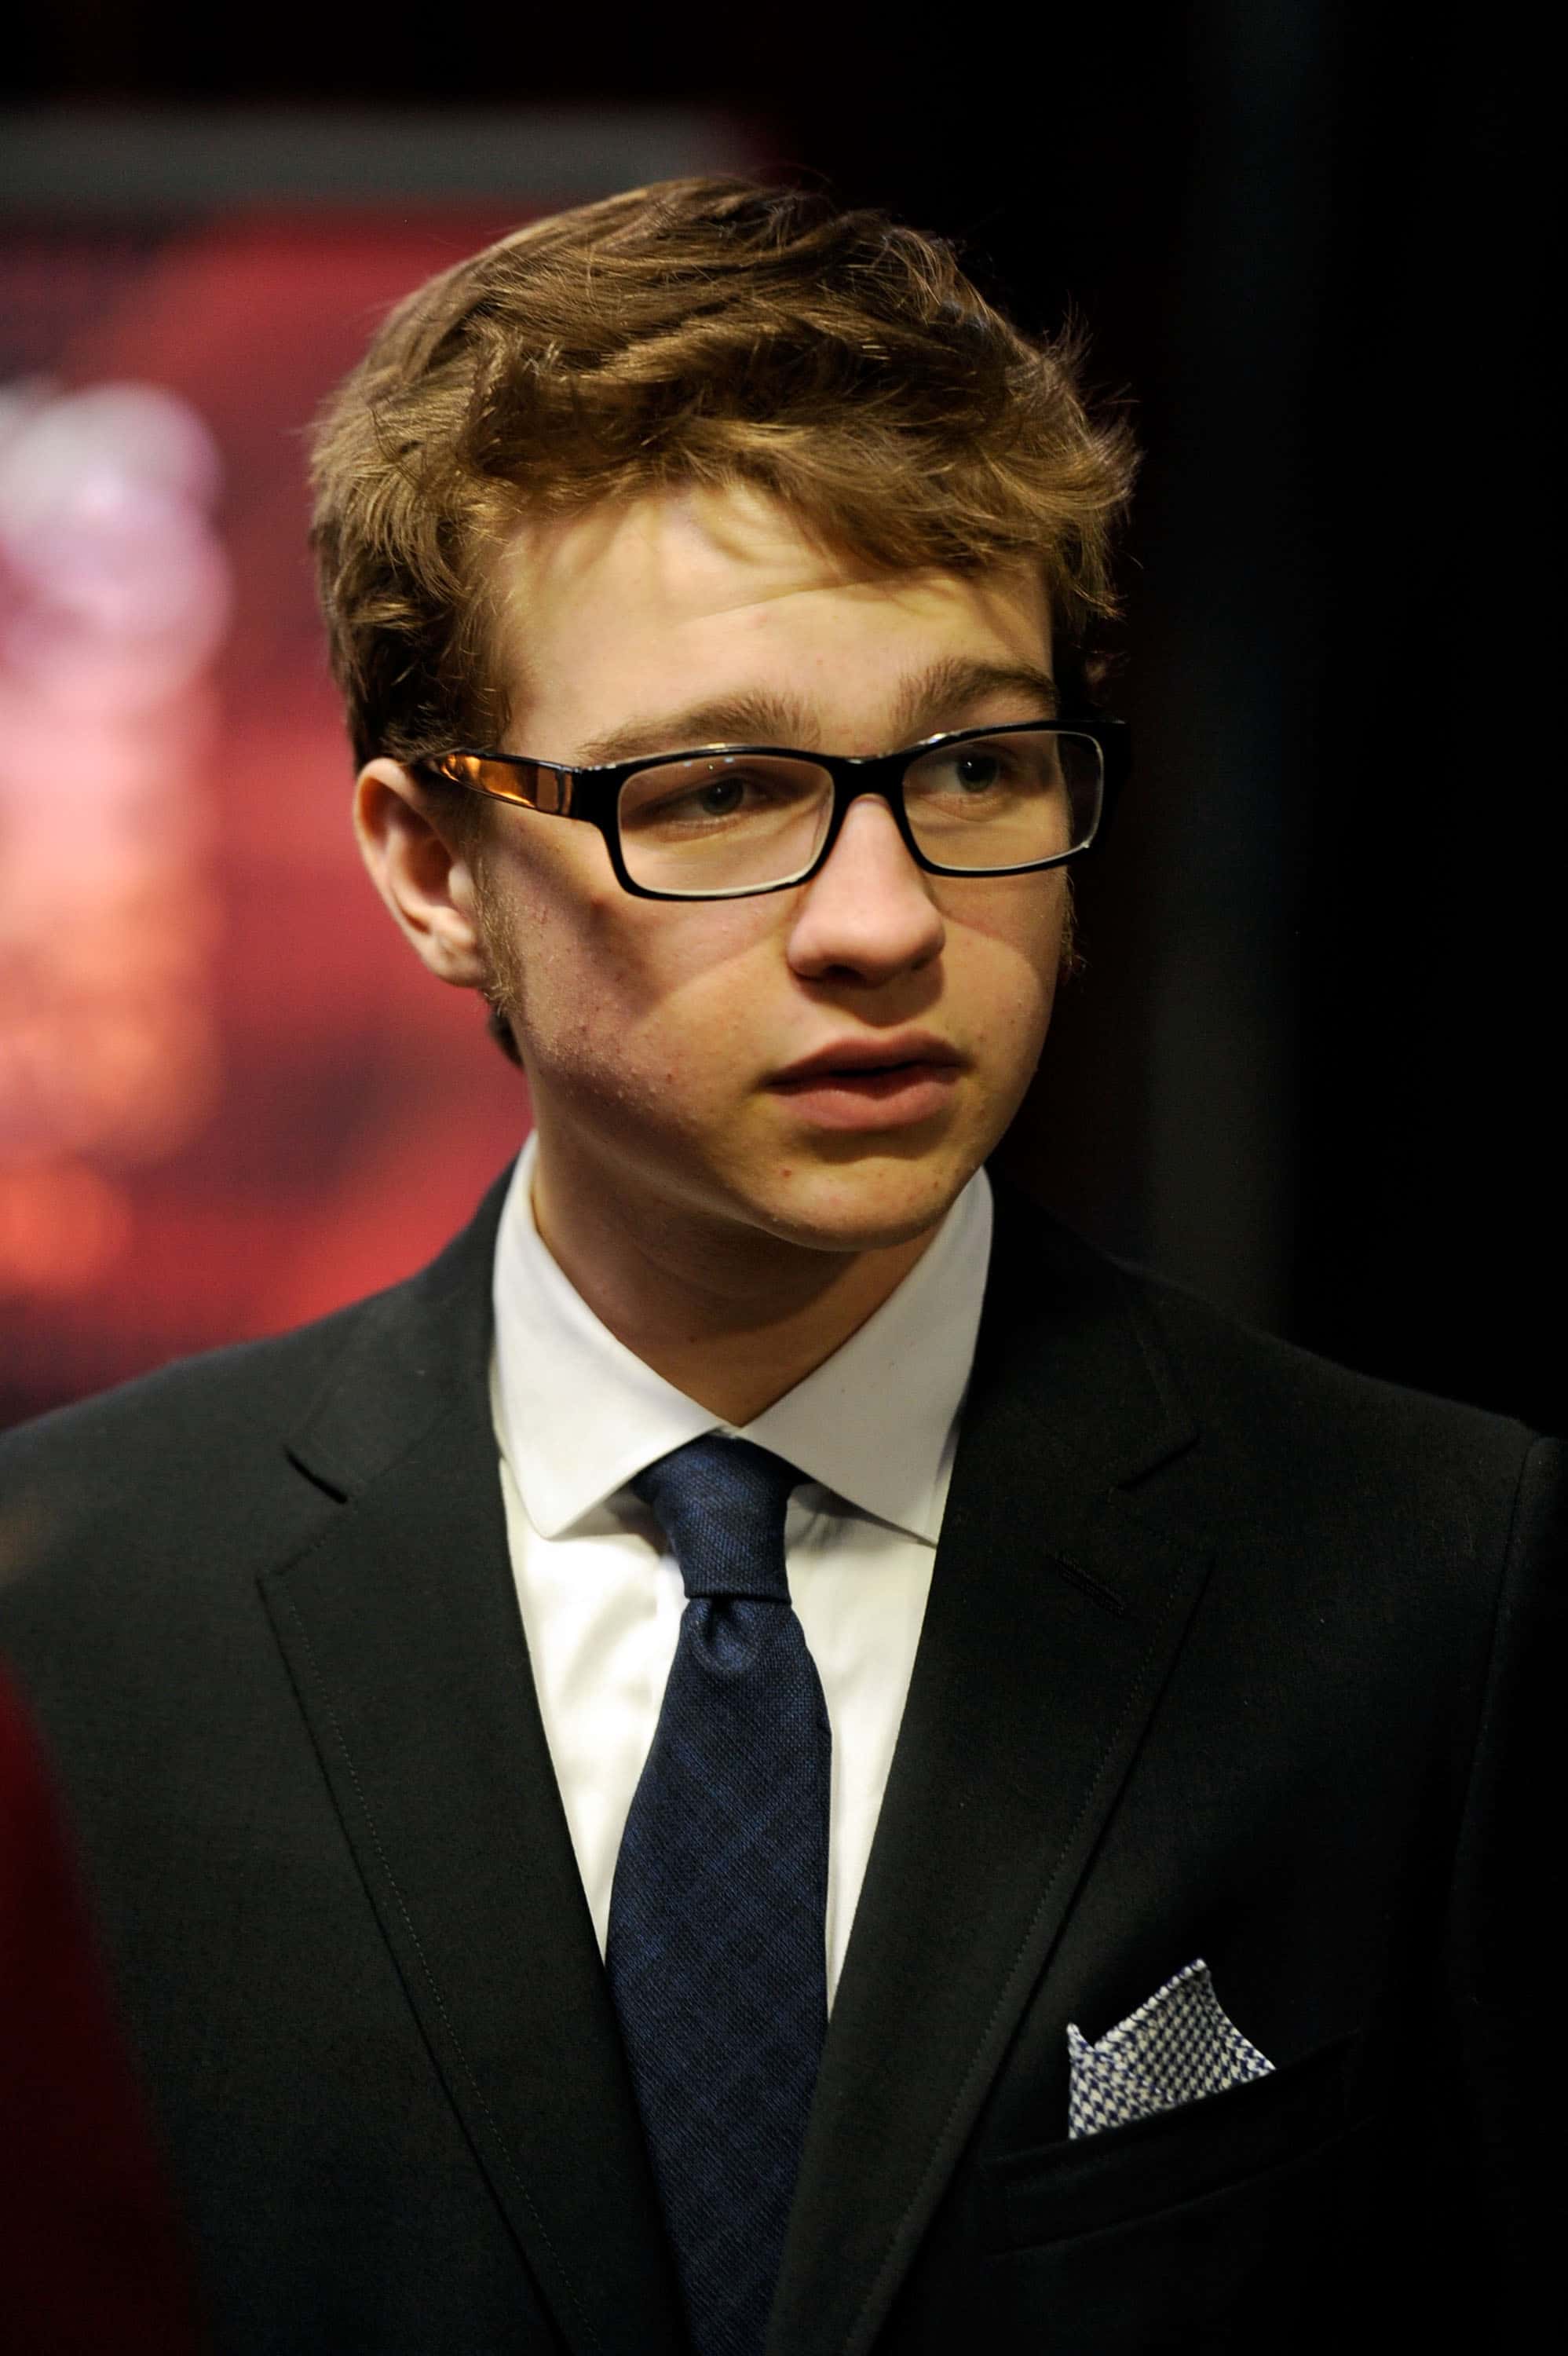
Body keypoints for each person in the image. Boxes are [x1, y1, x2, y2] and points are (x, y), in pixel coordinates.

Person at [0, 179, 1556, 2354]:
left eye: (977, 766)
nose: (886, 919)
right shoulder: (65, 1612)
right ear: (434, 870)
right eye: (721, 792)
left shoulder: (1425, 1573)